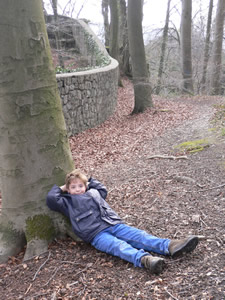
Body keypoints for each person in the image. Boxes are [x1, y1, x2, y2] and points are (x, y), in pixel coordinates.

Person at [46, 169, 199, 274]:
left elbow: (103, 189)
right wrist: (62, 188)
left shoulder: (93, 192)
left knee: (139, 236)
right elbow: (52, 199)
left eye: (80, 185)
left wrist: (89, 180)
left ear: (85, 186)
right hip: (95, 234)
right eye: (73, 187)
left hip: (112, 224)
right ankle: (146, 260)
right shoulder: (68, 202)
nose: (77, 189)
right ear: (68, 189)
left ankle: (170, 246)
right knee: (118, 246)